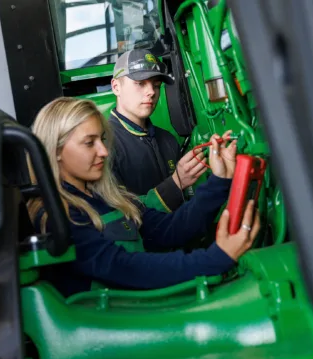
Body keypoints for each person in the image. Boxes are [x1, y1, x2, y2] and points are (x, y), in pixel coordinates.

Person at [28, 97, 260, 297]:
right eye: (90, 143)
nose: (104, 151)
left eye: (102, 139)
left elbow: (171, 229)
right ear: (56, 151)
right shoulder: (56, 215)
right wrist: (214, 259)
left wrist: (219, 180)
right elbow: (124, 268)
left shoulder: (107, 197)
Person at [110, 48, 207, 212]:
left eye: (156, 85)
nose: (151, 92)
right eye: (140, 84)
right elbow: (120, 215)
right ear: (116, 87)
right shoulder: (104, 146)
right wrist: (177, 183)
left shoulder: (168, 140)